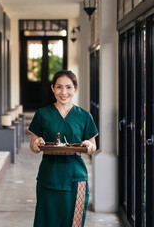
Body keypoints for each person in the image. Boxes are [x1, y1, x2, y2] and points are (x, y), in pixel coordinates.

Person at [28, 70, 98, 227]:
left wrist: (88, 145)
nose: (63, 92)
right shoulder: (42, 114)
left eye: (68, 87)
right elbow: (33, 146)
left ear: (76, 89)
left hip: (76, 179)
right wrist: (37, 142)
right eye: (59, 87)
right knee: (46, 221)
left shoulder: (84, 116)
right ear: (53, 88)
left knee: (73, 222)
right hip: (49, 177)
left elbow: (93, 146)